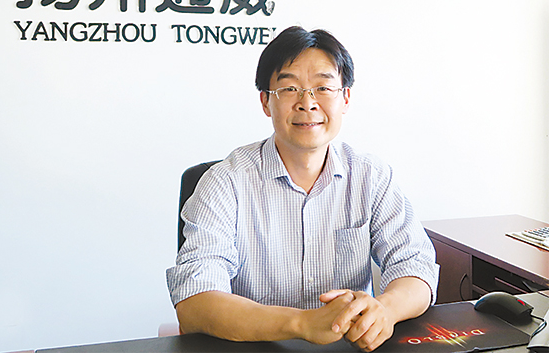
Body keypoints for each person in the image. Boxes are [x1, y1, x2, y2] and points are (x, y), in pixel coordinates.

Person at [166, 26, 439, 351]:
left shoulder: (371, 176)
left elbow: (416, 266)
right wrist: (302, 323)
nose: (307, 103)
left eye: (323, 87)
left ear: (345, 98)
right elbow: (195, 302)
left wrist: (385, 310)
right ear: (266, 101)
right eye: (289, 89)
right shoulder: (225, 182)